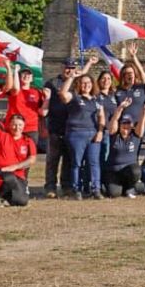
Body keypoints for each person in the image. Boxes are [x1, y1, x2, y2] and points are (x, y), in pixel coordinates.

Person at [56, 60, 104, 199]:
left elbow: (101, 116)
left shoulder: (96, 99)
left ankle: (96, 189)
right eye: (83, 83)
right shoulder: (74, 97)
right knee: (76, 163)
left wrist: (100, 131)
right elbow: (63, 94)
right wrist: (71, 77)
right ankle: (76, 189)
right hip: (76, 133)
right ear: (79, 84)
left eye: (88, 83)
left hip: (93, 134)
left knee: (94, 163)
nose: (86, 85)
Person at [0, 112, 37, 207]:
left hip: (18, 175)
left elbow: (32, 159)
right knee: (9, 178)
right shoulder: (1, 135)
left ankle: (5, 197)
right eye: (14, 125)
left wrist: (15, 167)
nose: (17, 127)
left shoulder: (28, 140)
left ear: (24, 126)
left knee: (22, 201)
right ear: (9, 125)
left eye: (20, 125)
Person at [42, 60, 75, 198]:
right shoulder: (52, 83)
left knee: (68, 159)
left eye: (72, 68)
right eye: (67, 67)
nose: (70, 70)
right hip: (55, 126)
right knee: (53, 159)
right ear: (62, 68)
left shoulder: (77, 83)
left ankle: (66, 186)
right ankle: (50, 186)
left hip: (71, 127)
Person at [103, 110, 145, 198]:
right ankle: (132, 188)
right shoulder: (114, 134)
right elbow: (114, 121)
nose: (126, 125)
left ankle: (129, 188)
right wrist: (120, 108)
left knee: (136, 171)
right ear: (119, 125)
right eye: (123, 123)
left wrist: (144, 110)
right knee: (114, 194)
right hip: (113, 171)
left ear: (132, 125)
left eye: (128, 123)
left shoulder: (136, 135)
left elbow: (142, 122)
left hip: (128, 170)